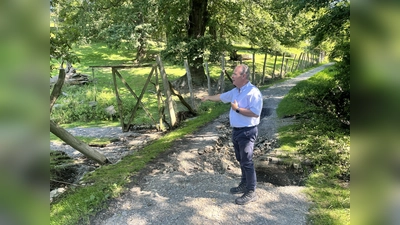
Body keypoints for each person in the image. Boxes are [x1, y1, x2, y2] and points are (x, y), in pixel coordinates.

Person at [201, 64, 263, 205]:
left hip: (247, 131)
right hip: (236, 131)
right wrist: (208, 97)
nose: (232, 76)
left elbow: (255, 112)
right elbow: (221, 97)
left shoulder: (253, 92)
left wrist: (237, 109)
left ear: (244, 76)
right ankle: (244, 184)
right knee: (241, 159)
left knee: (247, 161)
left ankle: (251, 191)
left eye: (235, 73)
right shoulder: (236, 91)